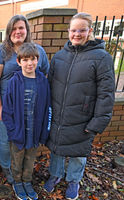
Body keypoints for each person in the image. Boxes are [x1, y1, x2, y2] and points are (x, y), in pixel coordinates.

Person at [44, 12, 115, 200]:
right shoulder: (59, 56)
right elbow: (49, 86)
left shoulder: (102, 58)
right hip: (59, 114)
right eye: (74, 30)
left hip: (83, 117)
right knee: (57, 148)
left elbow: (106, 94)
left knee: (78, 152)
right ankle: (56, 174)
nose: (77, 34)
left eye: (82, 30)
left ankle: (74, 180)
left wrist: (98, 122)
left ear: (90, 31)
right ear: (68, 31)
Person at [0, 15, 50, 184]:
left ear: (27, 30)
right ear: (8, 32)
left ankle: (23, 170)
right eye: (13, 29)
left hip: (30, 106)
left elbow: (44, 73)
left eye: (21, 28)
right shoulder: (0, 51)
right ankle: (7, 167)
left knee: (26, 137)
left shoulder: (38, 51)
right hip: (7, 105)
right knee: (7, 138)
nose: (17, 32)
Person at [2, 43, 51, 200]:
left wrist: (45, 131)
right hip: (18, 132)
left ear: (38, 60)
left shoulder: (43, 81)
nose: (30, 63)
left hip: (34, 132)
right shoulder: (14, 82)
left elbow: (47, 107)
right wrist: (12, 130)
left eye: (33, 59)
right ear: (19, 62)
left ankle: (27, 181)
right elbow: (7, 110)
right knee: (17, 160)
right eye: (26, 60)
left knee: (30, 160)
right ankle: (17, 182)